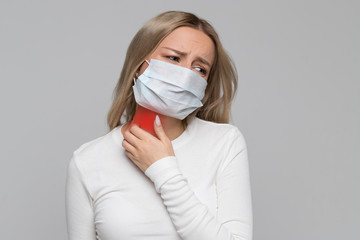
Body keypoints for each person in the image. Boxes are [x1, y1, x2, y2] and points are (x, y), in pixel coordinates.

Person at [65, 11, 253, 240]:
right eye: (174, 58)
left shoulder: (224, 143)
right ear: (138, 64)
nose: (185, 74)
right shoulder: (88, 160)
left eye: (200, 69)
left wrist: (163, 169)